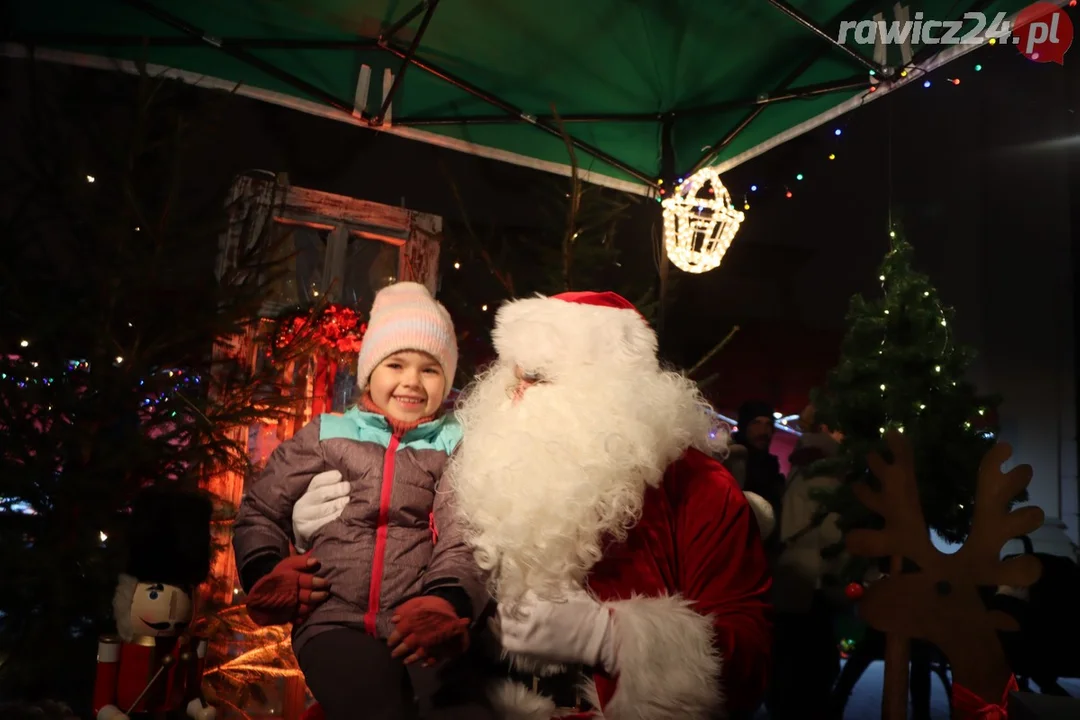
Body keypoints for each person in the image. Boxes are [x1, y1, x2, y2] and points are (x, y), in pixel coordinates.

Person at [231, 282, 492, 720]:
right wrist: (266, 571)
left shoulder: (455, 444)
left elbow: (462, 532)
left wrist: (444, 602)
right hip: (332, 619)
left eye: (429, 370)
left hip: (418, 621)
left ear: (446, 378)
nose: (411, 381)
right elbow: (260, 509)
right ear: (370, 371)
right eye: (396, 364)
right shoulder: (326, 433)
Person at [732, 400, 787, 521]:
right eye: (756, 423)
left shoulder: (771, 467)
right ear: (744, 426)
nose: (763, 431)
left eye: (768, 424)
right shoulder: (729, 461)